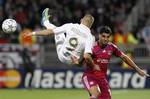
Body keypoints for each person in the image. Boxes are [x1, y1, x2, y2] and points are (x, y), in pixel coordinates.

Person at [72, 26, 149, 99]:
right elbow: (80, 63)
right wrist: (76, 62)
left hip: (102, 78)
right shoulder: (91, 47)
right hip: (90, 76)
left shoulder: (111, 47)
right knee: (96, 94)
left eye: (108, 37)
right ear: (99, 36)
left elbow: (124, 57)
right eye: (103, 36)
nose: (105, 39)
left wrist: (138, 69)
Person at [24, 8, 99, 70]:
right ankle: (45, 22)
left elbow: (49, 32)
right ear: (90, 25)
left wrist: (33, 33)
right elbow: (87, 56)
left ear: (81, 20)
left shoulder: (71, 26)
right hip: (72, 61)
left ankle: (45, 22)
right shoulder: (91, 37)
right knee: (86, 50)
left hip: (62, 55)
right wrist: (91, 65)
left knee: (57, 31)